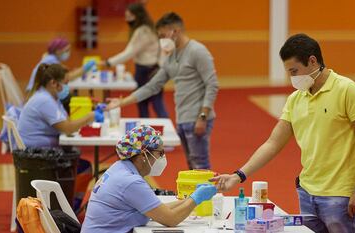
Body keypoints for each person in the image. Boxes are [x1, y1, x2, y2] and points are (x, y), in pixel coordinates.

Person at [211, 34, 355, 233]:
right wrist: (238, 176)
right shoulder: (295, 99)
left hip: (339, 197)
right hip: (306, 194)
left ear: (313, 61)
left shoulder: (347, 90)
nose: (292, 78)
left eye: (294, 71)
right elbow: (272, 143)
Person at [107, 12, 219, 170]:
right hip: (182, 118)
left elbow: (212, 84)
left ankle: (206, 194)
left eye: (162, 35)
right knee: (192, 167)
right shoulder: (172, 56)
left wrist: (203, 116)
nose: (161, 40)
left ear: (175, 31)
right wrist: (121, 102)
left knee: (201, 166)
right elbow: (152, 86)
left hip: (197, 118)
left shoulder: (197, 51)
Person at [81, 125, 217, 233]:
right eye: (160, 153)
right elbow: (171, 219)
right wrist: (197, 198)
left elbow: (159, 210)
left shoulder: (120, 168)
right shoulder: (131, 182)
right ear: (143, 155)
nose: (163, 158)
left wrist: (190, 198)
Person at [18, 63, 104, 211]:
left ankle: (68, 206)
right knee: (84, 168)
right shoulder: (44, 100)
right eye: (65, 83)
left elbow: (66, 122)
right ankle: (69, 210)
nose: (67, 87)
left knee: (79, 160)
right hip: (37, 158)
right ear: (53, 83)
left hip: (42, 151)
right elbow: (67, 127)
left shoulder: (50, 97)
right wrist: (90, 116)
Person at [101, 3, 169, 118]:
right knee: (149, 103)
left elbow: (129, 53)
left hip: (147, 71)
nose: (127, 19)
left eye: (129, 16)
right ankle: (146, 132)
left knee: (152, 104)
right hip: (152, 69)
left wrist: (108, 62)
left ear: (137, 16)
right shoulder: (148, 28)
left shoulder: (143, 32)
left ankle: (167, 133)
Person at [26, 37, 95, 112]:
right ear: (58, 50)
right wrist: (85, 68)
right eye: (66, 50)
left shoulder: (51, 59)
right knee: (71, 99)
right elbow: (68, 77)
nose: (69, 53)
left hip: (37, 93)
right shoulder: (50, 60)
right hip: (36, 94)